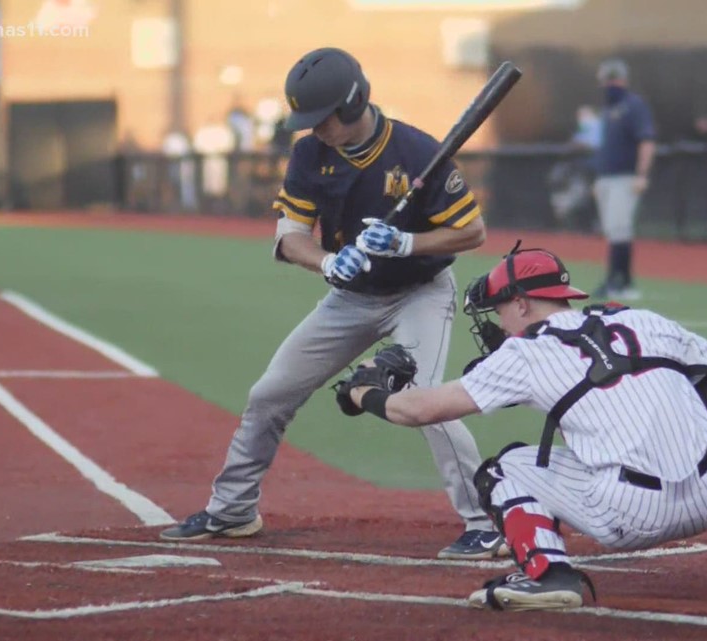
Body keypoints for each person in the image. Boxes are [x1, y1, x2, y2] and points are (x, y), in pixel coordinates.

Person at [161, 47, 509, 561]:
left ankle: (486, 523)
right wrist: (326, 262)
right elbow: (288, 237)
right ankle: (233, 509)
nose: (314, 129)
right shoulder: (308, 154)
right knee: (269, 393)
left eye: (320, 119)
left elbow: (472, 231)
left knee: (425, 399)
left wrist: (407, 244)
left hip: (420, 293)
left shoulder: (417, 152)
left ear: (352, 105)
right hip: (351, 297)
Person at [333, 245, 707, 611]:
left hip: (630, 514)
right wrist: (664, 417)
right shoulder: (640, 318)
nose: (497, 322)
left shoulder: (525, 353)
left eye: (500, 309)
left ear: (522, 304)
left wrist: (364, 394)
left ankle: (548, 575)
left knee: (505, 469)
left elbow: (421, 411)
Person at [592, 59, 656, 300]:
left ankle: (616, 280)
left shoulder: (633, 106)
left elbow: (646, 141)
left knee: (620, 228)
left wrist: (641, 175)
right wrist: (598, 179)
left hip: (625, 177)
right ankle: (623, 280)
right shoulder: (608, 109)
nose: (609, 85)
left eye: (612, 79)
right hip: (607, 177)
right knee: (613, 230)